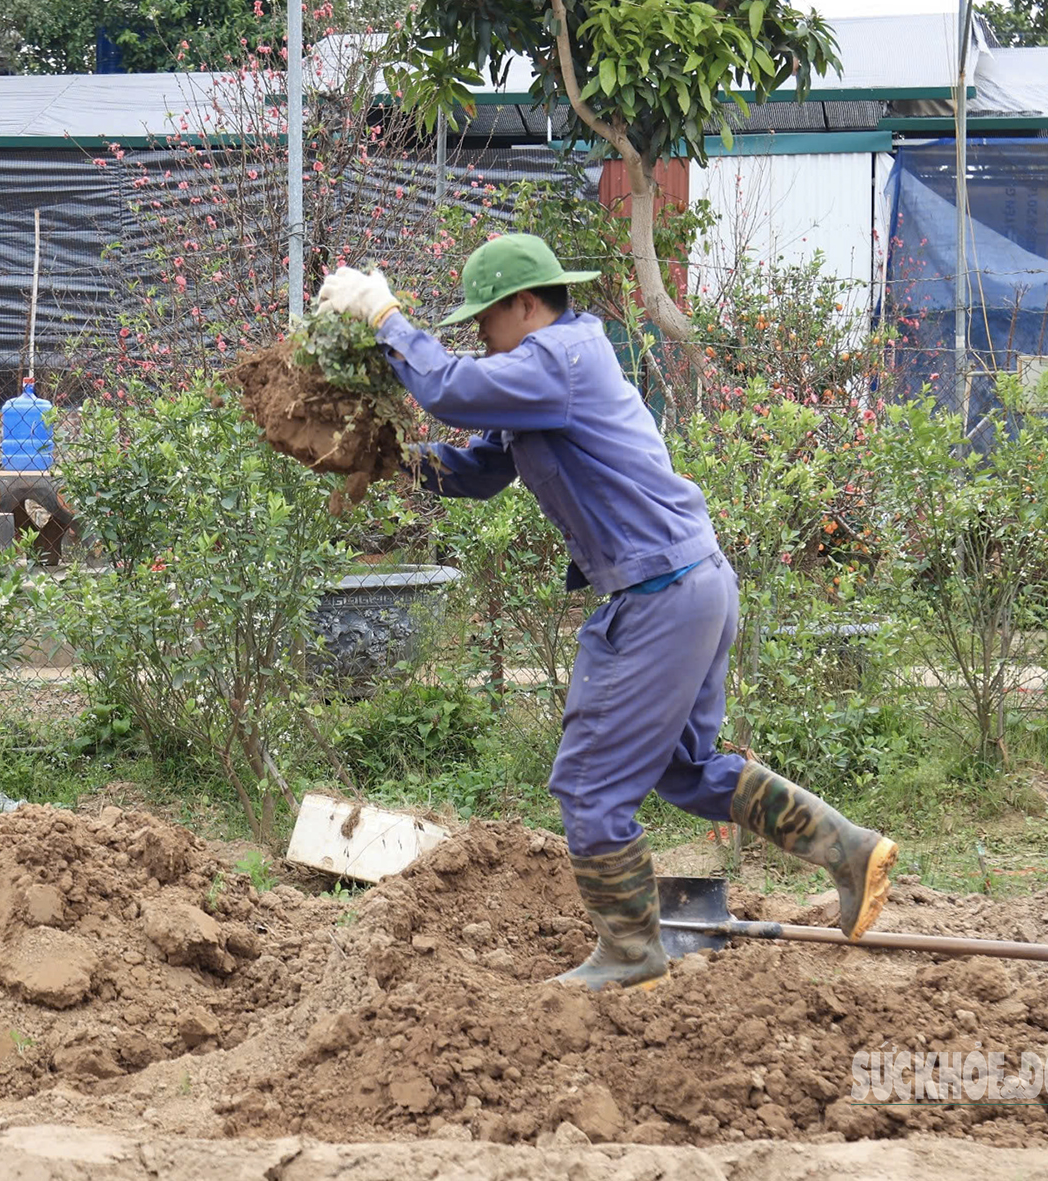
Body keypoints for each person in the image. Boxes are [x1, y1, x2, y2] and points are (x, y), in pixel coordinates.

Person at [315, 234, 898, 992]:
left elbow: (448, 389)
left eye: (484, 322)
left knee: (589, 786)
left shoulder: (557, 360)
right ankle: (850, 850)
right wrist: (388, 458)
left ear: (525, 307)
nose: (478, 339)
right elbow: (483, 470)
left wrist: (385, 316)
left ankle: (630, 952)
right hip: (689, 582)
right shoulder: (547, 372)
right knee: (685, 771)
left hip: (660, 593)